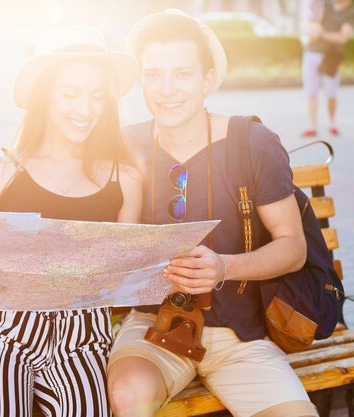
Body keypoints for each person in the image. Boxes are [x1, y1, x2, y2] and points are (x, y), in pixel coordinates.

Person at [107, 10, 318, 417]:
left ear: (207, 80)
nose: (166, 90)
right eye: (153, 75)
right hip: (154, 329)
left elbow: (293, 247)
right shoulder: (126, 145)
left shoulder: (251, 142)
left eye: (182, 74)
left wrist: (224, 266)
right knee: (129, 399)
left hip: (240, 336)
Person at [0, 26, 142, 417]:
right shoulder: (1, 171)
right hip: (5, 336)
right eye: (70, 94)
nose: (85, 109)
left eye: (97, 97)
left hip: (83, 341)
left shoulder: (124, 178)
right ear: (44, 95)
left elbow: (125, 282)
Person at [301, 0, 354, 137]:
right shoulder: (324, 5)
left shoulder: (351, 12)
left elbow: (342, 38)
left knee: (331, 93)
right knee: (311, 92)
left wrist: (321, 34)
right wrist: (310, 33)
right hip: (311, 53)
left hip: (330, 57)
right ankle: (311, 126)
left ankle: (331, 124)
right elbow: (309, 22)